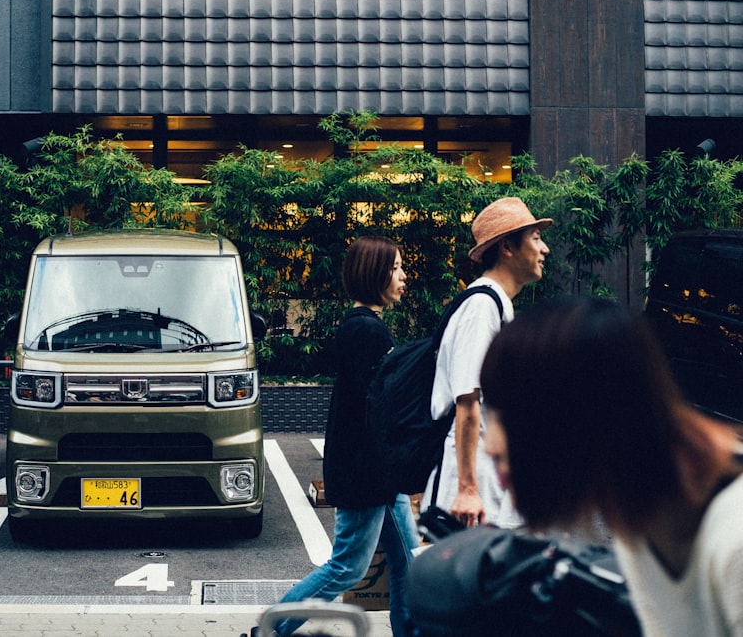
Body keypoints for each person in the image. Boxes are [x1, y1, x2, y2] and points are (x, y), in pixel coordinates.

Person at [480, 296, 743, 636]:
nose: (489, 446)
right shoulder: (638, 521)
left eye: (508, 412)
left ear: (576, 418)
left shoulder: (733, 536)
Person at [259, 236, 419, 637]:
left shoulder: (366, 327)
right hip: (367, 472)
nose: (403, 276)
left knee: (408, 563)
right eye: (397, 267)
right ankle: (268, 630)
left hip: (379, 473)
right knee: (347, 568)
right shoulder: (366, 332)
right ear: (375, 273)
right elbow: (375, 411)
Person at [422, 196, 552, 528]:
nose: (544, 249)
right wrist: (467, 490)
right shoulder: (481, 307)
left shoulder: (497, 305)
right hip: (468, 488)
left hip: (488, 479)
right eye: (535, 238)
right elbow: (468, 400)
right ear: (507, 247)